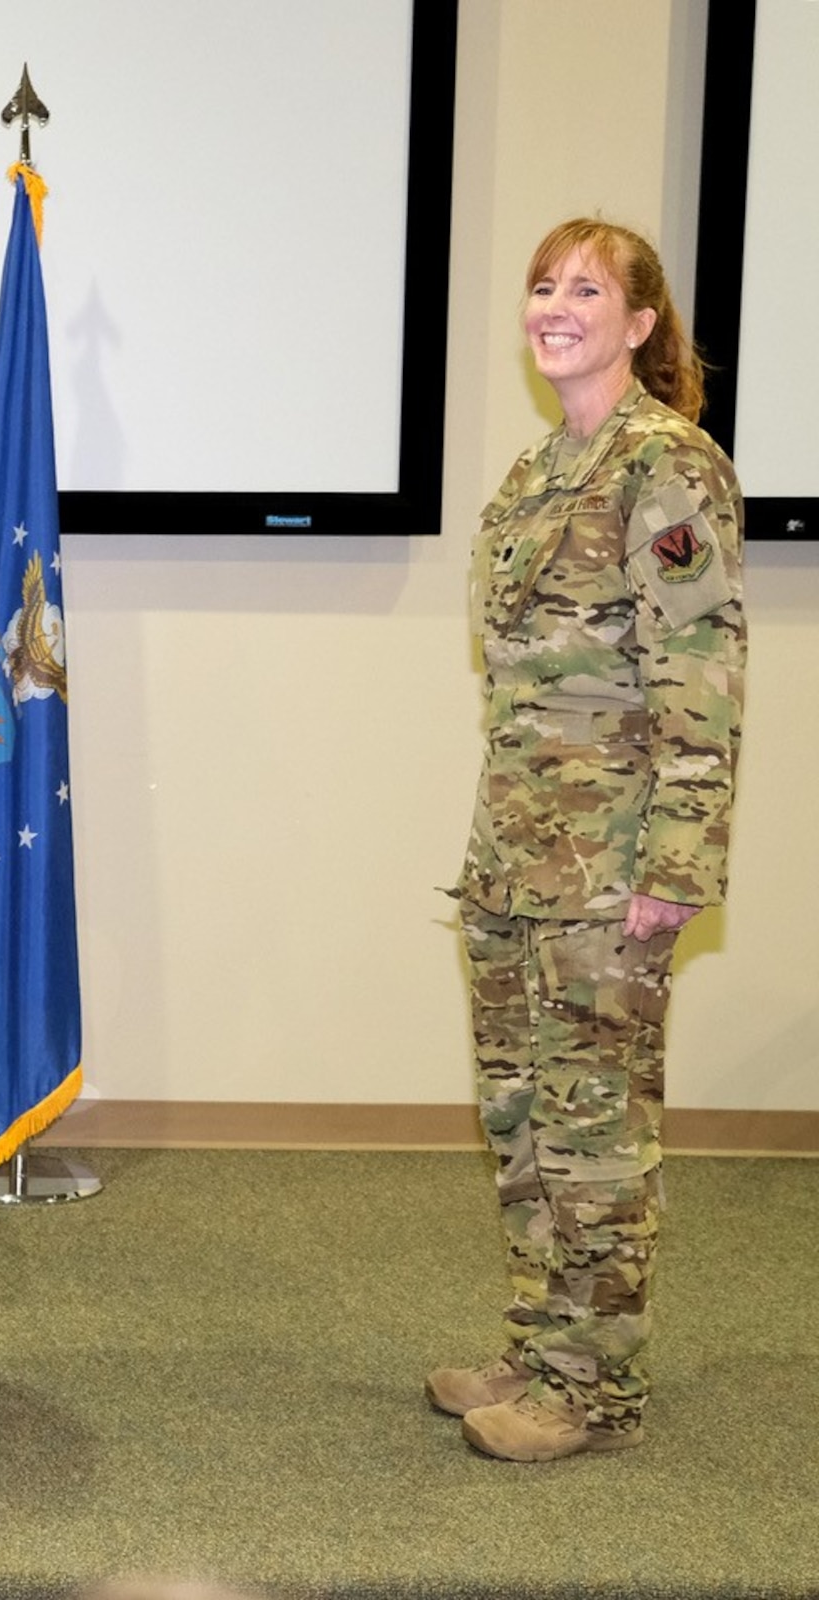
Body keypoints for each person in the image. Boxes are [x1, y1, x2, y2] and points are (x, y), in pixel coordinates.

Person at [430, 219, 744, 1462]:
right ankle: (542, 1341)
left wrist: (675, 866)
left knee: (595, 1128)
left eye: (586, 290)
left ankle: (596, 1392)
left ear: (638, 325)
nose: (554, 306)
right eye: (541, 286)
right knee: (518, 1114)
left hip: (609, 868)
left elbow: (700, 675)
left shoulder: (662, 467)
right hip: (515, 856)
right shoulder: (534, 472)